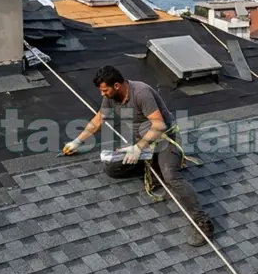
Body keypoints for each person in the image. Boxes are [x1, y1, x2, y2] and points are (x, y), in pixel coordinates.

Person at [62, 66, 215, 247]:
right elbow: (99, 119)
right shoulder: (111, 97)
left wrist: (137, 148)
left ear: (116, 85)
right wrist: (78, 141)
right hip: (142, 143)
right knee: (113, 169)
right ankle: (153, 164)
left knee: (170, 176)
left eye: (105, 90)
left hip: (165, 140)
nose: (103, 94)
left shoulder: (141, 93)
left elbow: (159, 126)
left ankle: (203, 222)